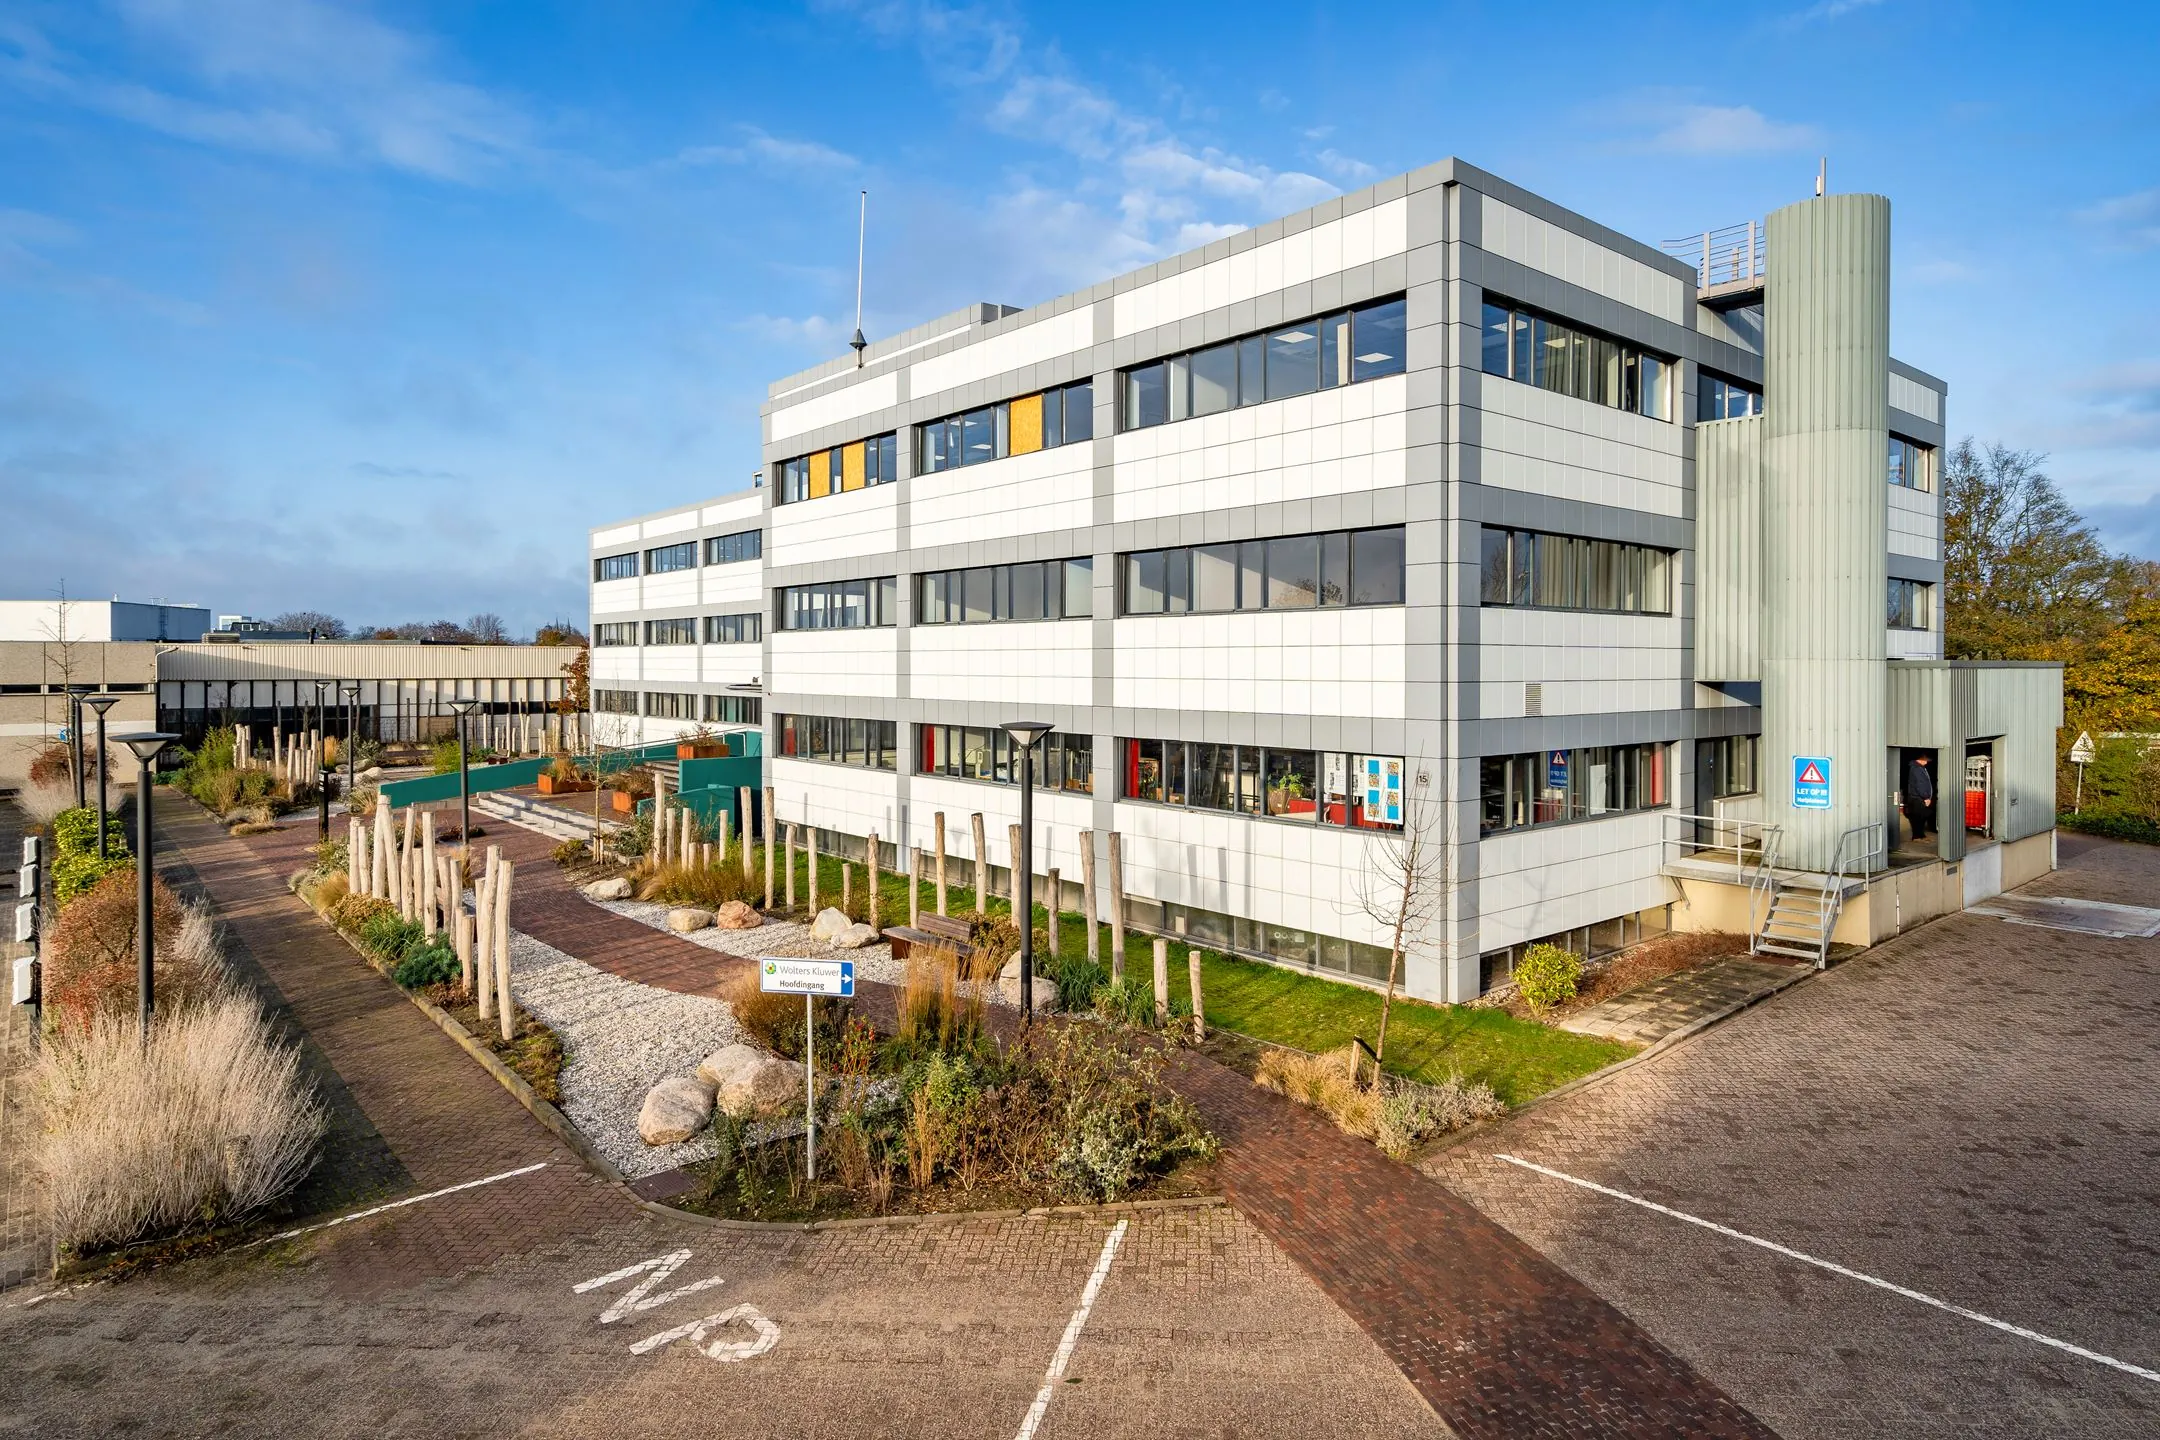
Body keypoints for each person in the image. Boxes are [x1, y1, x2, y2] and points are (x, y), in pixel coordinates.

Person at [1902, 752, 1936, 840]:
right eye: (1925, 760)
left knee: (1921, 816)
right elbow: (1920, 784)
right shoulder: (1917, 769)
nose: (1927, 762)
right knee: (1919, 817)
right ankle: (1917, 836)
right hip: (1918, 797)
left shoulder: (1919, 768)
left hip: (1918, 797)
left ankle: (1920, 835)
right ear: (1920, 760)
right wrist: (1926, 797)